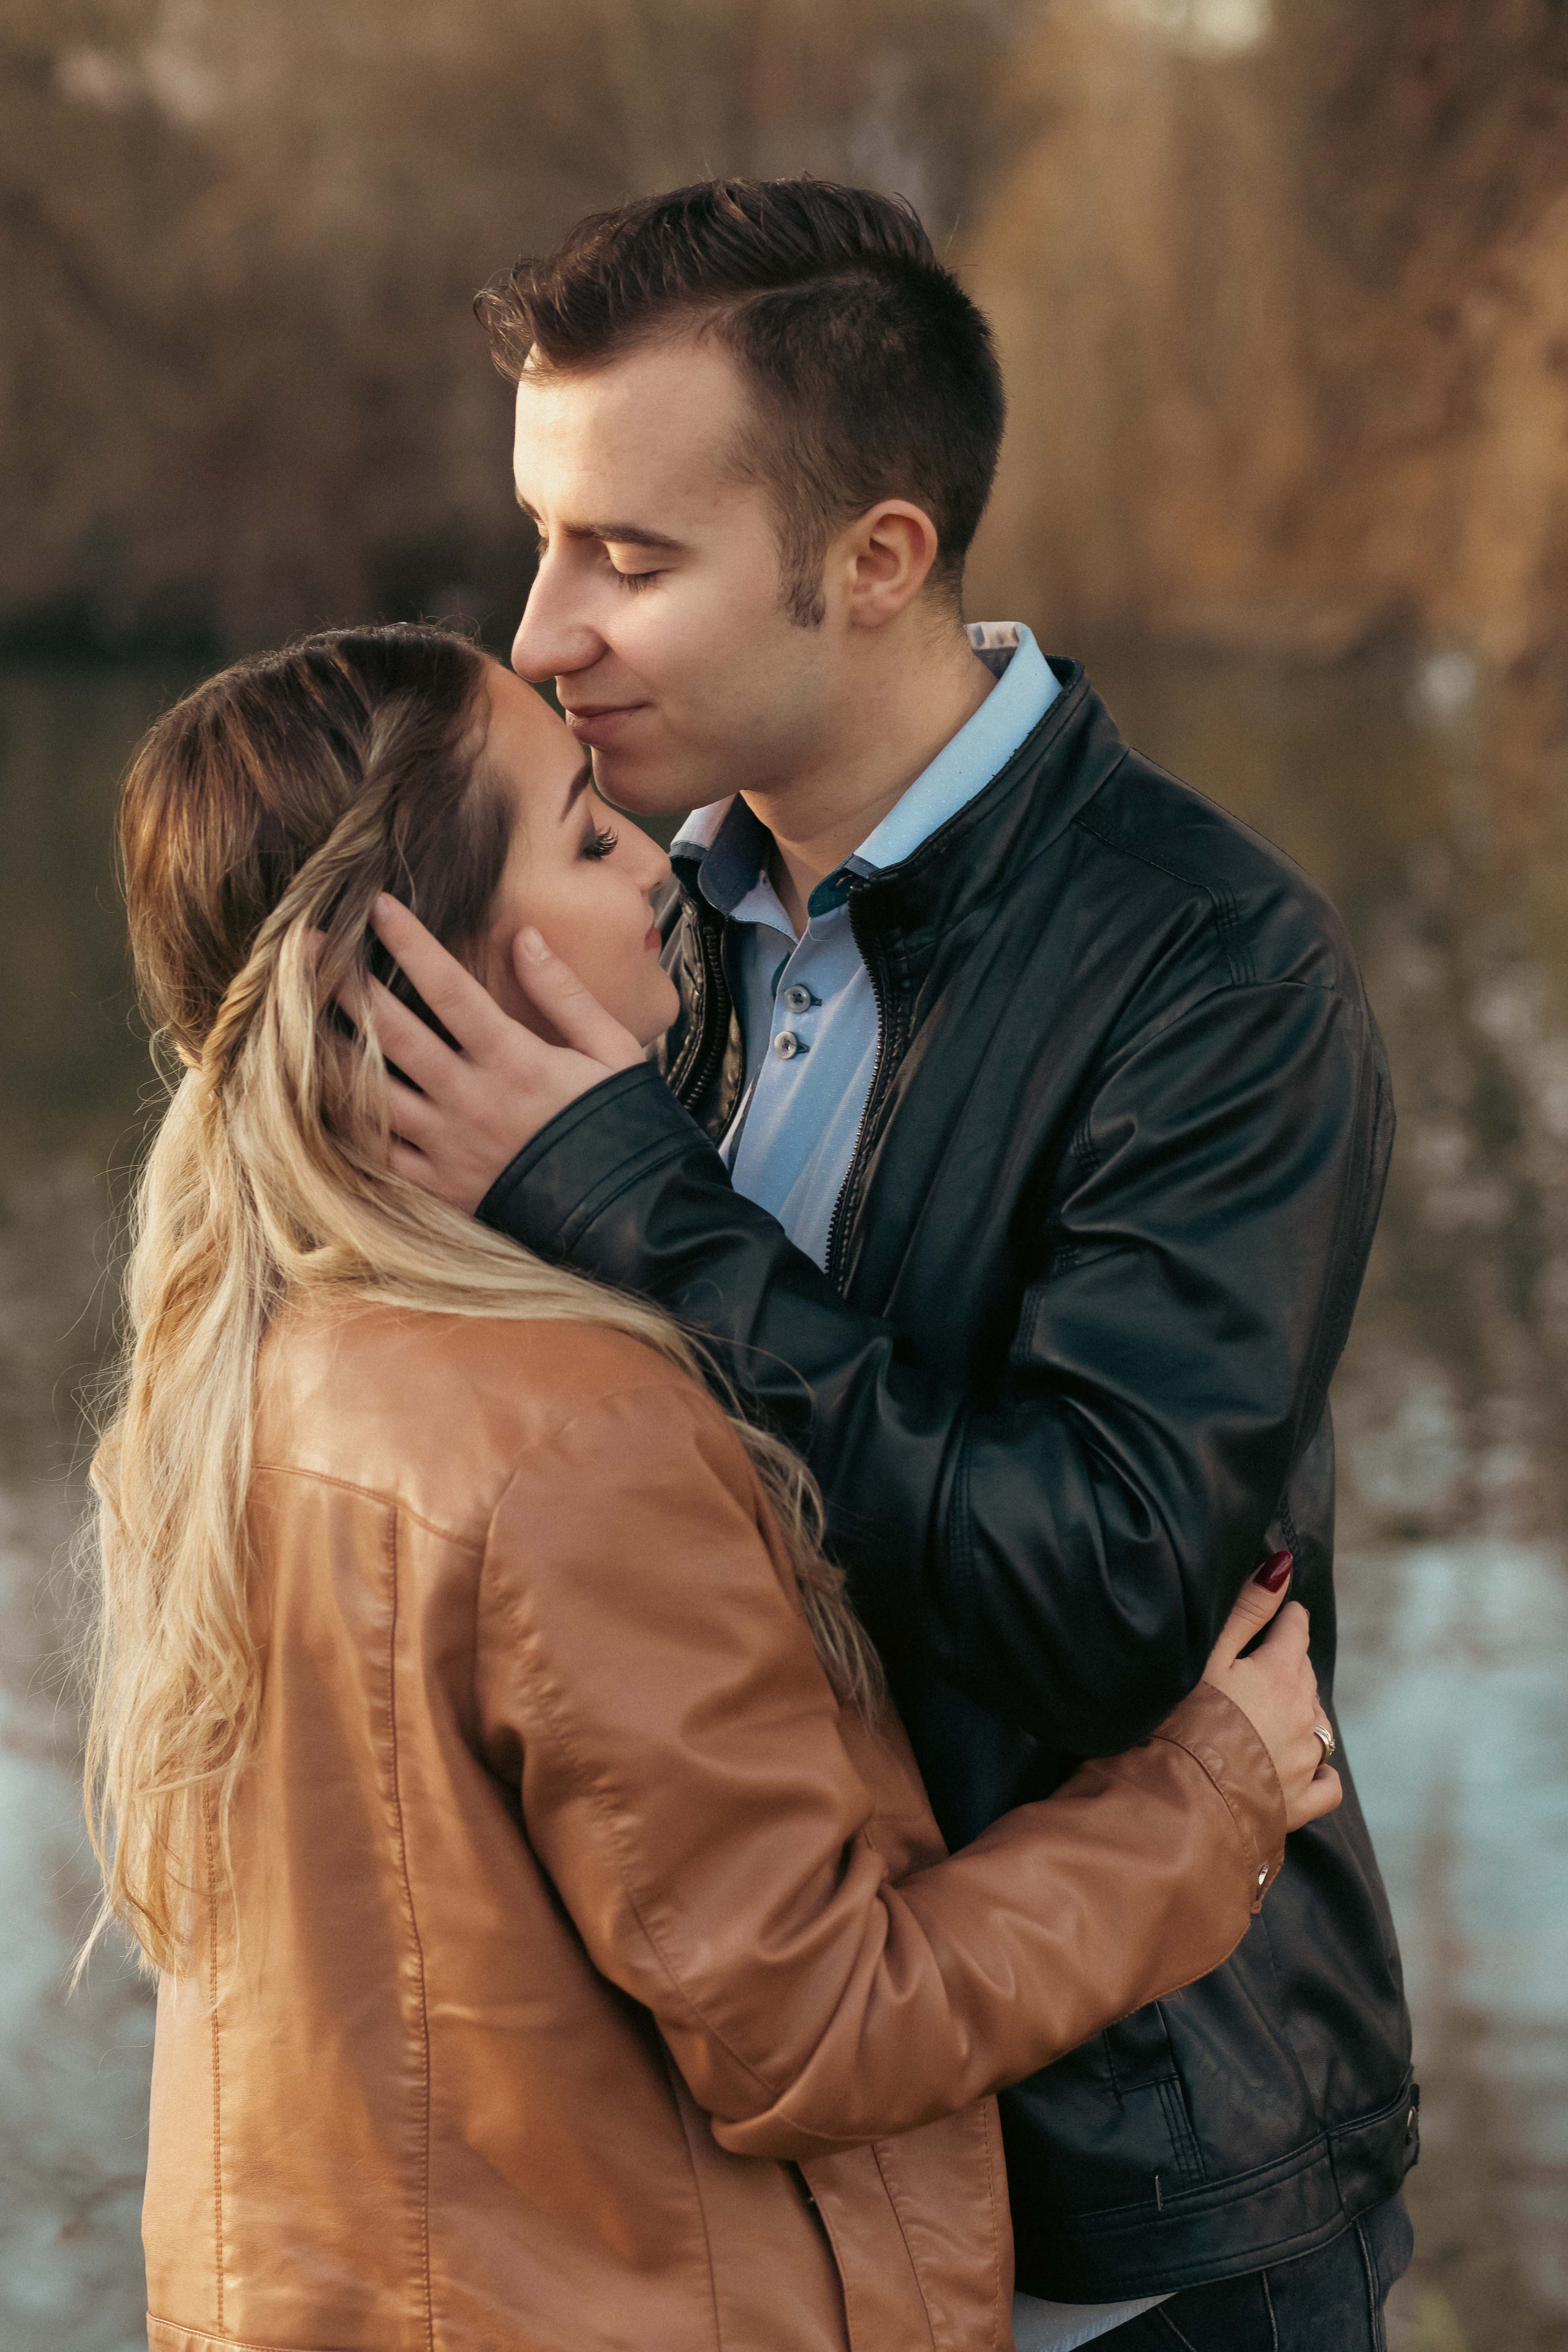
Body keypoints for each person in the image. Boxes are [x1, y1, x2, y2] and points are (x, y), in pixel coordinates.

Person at [368, 181, 1418, 2348]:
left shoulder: (1212, 970)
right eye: (546, 536)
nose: (541, 628)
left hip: (1128, 2216)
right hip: (759, 2200)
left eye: (630, 561)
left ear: (878, 562)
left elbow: (1107, 1594)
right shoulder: (614, 905)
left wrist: (624, 1202)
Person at [82, 624, 1337, 2352]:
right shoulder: (569, 1436)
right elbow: (811, 2029)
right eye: (591, 838)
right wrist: (1212, 1796)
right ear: (438, 974)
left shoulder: (250, 1360)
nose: (662, 873)